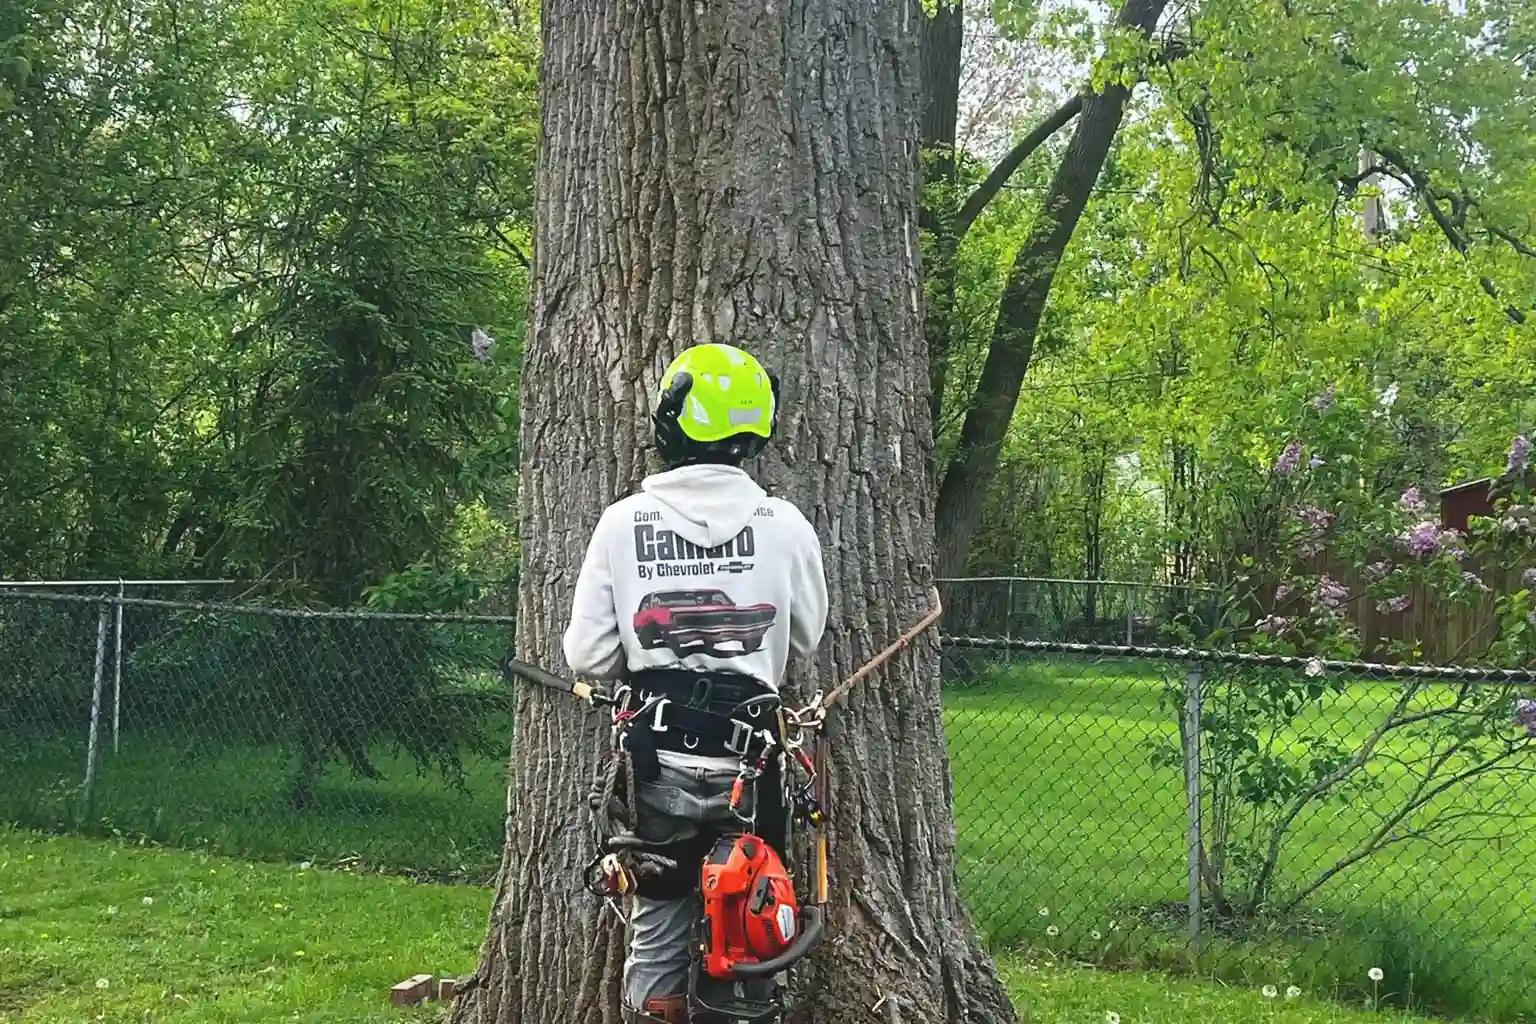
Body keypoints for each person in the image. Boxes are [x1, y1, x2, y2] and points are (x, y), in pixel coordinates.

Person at [562, 342, 829, 1024]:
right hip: (755, 766)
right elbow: (803, 638)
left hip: (660, 764)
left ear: (677, 419)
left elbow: (589, 655)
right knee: (753, 917)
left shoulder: (623, 526)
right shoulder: (786, 527)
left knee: (657, 927)